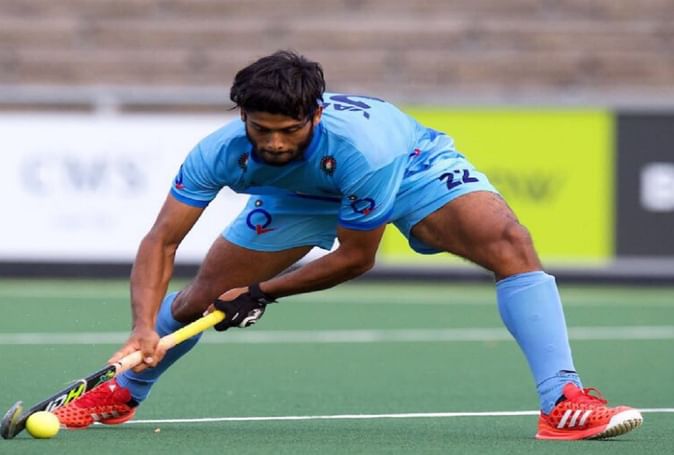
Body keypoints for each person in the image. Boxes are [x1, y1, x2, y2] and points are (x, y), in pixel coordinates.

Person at [53, 50, 642, 440]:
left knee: (509, 243)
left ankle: (561, 401)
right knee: (197, 300)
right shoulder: (218, 151)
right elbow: (162, 240)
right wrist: (141, 327)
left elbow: (357, 257)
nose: (274, 143)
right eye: (261, 129)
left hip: (409, 170)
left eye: (289, 130)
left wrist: (261, 293)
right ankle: (121, 393)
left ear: (315, 113)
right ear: (242, 115)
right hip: (294, 196)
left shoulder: (363, 148)